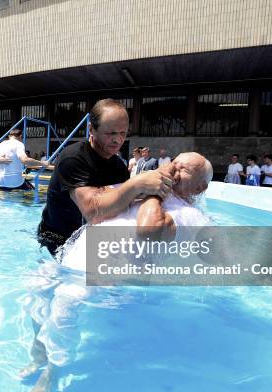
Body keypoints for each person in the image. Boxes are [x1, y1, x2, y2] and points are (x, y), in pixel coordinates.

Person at [24, 152, 212, 391]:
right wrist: (137, 186)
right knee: (38, 283)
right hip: (74, 262)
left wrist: (153, 194)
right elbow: (95, 205)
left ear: (199, 187)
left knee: (68, 298)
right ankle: (38, 352)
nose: (173, 170)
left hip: (105, 275)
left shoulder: (191, 216)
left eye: (184, 169)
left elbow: (150, 230)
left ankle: (55, 367)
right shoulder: (142, 188)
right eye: (173, 163)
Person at [37, 99, 172, 256]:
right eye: (111, 133)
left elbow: (124, 204)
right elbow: (93, 212)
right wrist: (136, 184)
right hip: (55, 240)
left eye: (123, 133)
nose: (118, 140)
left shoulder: (119, 167)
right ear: (91, 129)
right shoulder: (73, 158)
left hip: (86, 238)